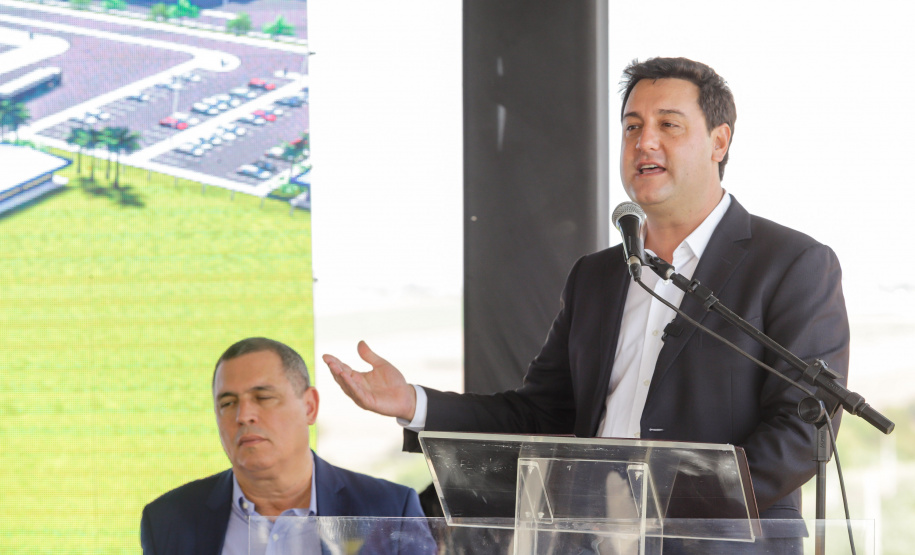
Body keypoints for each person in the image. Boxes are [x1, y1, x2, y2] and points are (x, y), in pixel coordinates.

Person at [323, 57, 849, 537]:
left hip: (720, 544)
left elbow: (802, 432)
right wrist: (413, 403)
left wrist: (658, 508)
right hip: (587, 541)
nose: (644, 142)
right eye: (632, 127)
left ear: (719, 142)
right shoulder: (598, 276)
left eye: (668, 125)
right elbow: (540, 416)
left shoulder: (791, 264)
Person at [141, 337, 433, 555]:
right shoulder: (169, 520)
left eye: (263, 397)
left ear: (309, 406)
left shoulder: (390, 510)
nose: (243, 416)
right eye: (228, 403)